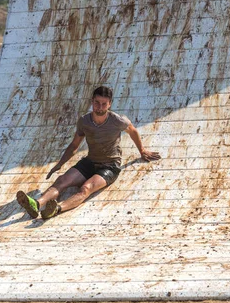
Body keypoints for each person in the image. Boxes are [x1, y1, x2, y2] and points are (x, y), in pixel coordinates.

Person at [16, 86, 161, 219]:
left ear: (110, 104)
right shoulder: (84, 121)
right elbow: (74, 145)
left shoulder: (118, 120)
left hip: (109, 166)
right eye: (97, 103)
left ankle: (57, 209)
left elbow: (133, 131)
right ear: (92, 102)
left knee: (86, 188)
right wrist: (60, 164)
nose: (100, 107)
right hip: (90, 161)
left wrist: (142, 150)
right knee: (62, 180)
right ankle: (37, 203)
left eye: (104, 104)